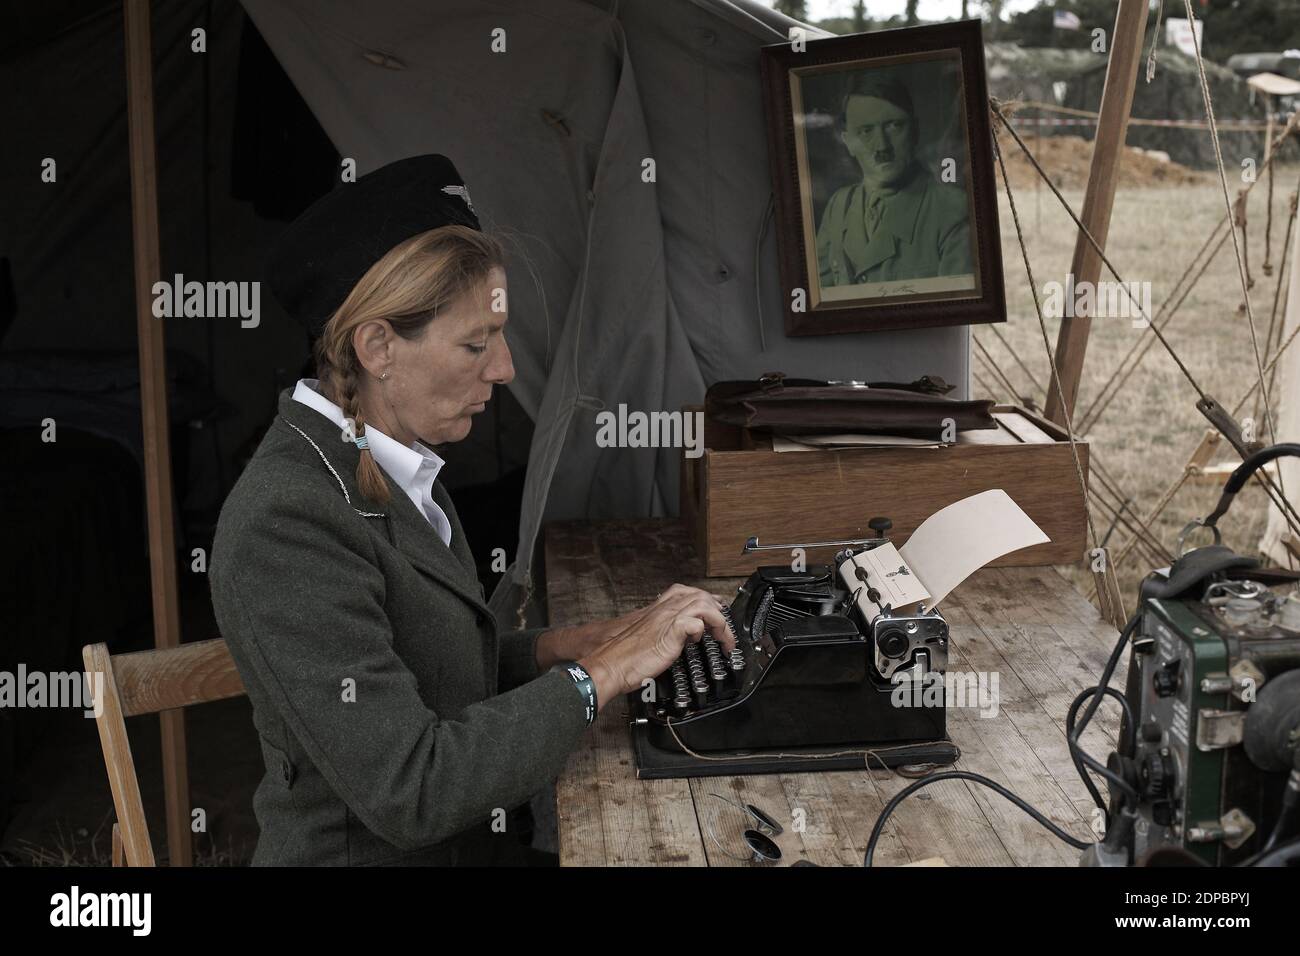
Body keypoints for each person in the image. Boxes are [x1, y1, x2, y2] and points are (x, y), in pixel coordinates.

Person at [209, 154, 733, 866]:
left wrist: (570, 646)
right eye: (475, 343)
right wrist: (601, 675)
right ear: (378, 346)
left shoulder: (390, 455)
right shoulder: (287, 522)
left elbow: (428, 668)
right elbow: (413, 788)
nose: (505, 367)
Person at [814, 72, 973, 290]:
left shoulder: (952, 210)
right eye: (866, 131)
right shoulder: (839, 206)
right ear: (848, 142)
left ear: (915, 130)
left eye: (894, 126)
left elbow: (956, 305)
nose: (882, 147)